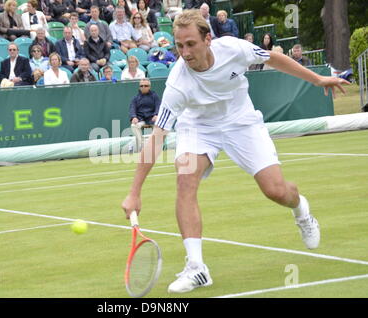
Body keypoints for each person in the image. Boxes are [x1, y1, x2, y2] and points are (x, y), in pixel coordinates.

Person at [121, 9, 349, 294]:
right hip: (198, 125)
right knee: (185, 178)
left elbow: (273, 58)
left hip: (241, 121)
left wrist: (317, 79)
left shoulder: (233, 48)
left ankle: (301, 210)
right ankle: (197, 267)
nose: (185, 52)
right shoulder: (177, 84)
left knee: (276, 191)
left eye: (191, 44)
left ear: (208, 39)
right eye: (179, 45)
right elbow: (156, 138)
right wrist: (134, 191)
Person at [129, 78, 160, 152]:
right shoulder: (135, 98)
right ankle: (142, 146)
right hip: (141, 119)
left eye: (146, 86)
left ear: (149, 87)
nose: (143, 87)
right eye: (141, 86)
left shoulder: (154, 96)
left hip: (152, 118)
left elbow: (158, 106)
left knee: (160, 123)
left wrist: (156, 115)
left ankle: (158, 146)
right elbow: (132, 109)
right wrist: (133, 117)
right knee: (134, 126)